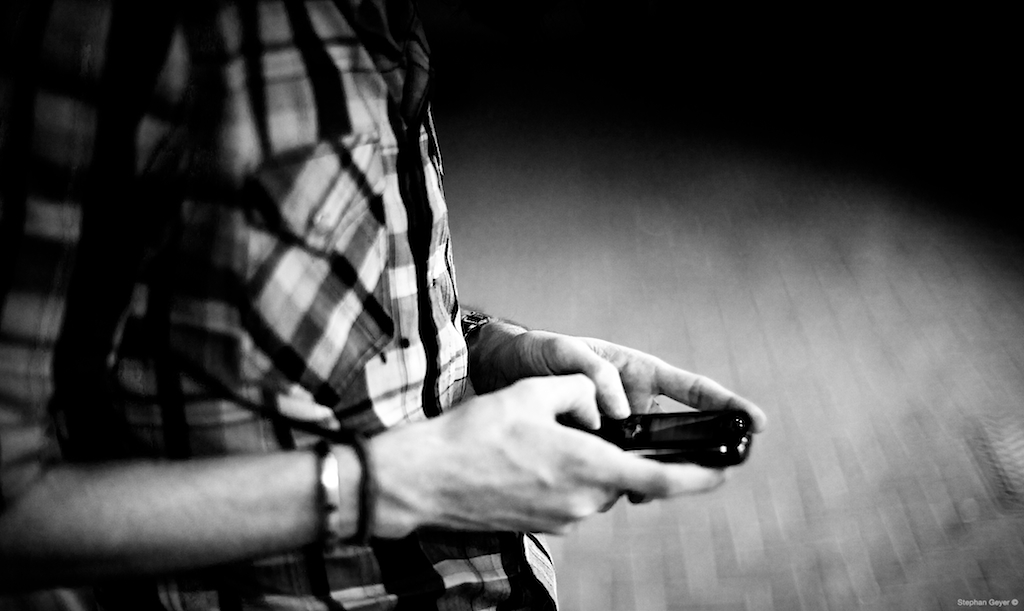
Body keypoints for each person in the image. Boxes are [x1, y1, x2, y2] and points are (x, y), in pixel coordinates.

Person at [0, 1, 766, 609]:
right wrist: (394, 483)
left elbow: (304, 307)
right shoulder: (117, 31)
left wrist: (488, 350)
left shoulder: (379, 19)